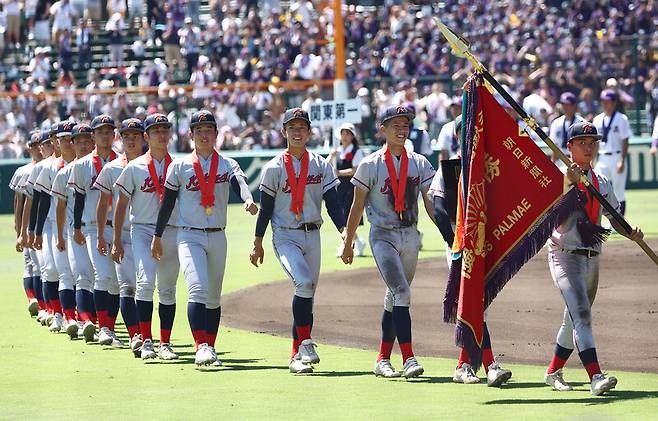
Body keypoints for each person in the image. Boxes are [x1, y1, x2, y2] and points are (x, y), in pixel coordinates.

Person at [544, 121, 643, 395]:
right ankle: (595, 376)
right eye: (582, 143)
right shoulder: (558, 179)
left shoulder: (602, 181)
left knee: (572, 318)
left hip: (592, 257)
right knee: (583, 316)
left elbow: (614, 217)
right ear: (570, 147)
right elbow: (552, 215)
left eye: (592, 143)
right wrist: (570, 184)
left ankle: (553, 372)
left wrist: (630, 232)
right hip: (564, 255)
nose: (588, 148)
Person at [152, 110, 257, 366]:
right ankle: (201, 346)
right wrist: (157, 234)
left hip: (218, 236)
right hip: (189, 235)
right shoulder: (179, 165)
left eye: (209, 130)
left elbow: (239, 182)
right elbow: (167, 204)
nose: (204, 135)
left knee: (213, 295)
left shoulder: (226, 163)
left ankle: (211, 345)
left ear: (216, 134)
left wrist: (248, 199)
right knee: (197, 289)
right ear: (191, 135)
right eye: (199, 131)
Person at [341, 105, 436, 379]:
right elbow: (357, 207)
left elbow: (429, 201)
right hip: (382, 235)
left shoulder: (418, 161)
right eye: (395, 124)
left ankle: (382, 359)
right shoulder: (370, 164)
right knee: (402, 293)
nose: (401, 129)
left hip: (410, 235)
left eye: (405, 124)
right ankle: (408, 358)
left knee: (394, 298)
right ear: (382, 129)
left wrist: (448, 231)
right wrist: (348, 242)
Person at [249, 108, 345, 374]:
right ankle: (305, 342)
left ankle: (296, 356)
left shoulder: (320, 164)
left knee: (307, 294)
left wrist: (345, 230)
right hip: (286, 234)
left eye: (302, 127)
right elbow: (265, 208)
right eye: (292, 127)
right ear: (284, 132)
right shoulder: (274, 168)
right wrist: (257, 242)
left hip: (312, 233)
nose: (297, 132)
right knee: (303, 282)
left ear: (310, 131)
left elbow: (333, 203)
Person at [429, 117, 513, 387]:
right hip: (460, 241)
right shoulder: (451, 168)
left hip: (485, 241)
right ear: (457, 136)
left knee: (478, 303)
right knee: (473, 301)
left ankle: (465, 364)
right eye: (464, 131)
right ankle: (485, 364)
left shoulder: (488, 164)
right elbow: (440, 210)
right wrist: (456, 244)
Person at [114, 115, 181, 361]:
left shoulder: (180, 166)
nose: (161, 135)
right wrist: (116, 240)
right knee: (144, 282)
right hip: (141, 229)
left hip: (172, 230)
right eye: (156, 131)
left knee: (167, 288)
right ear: (147, 136)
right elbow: (121, 204)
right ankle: (146, 341)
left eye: (165, 130)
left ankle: (165, 343)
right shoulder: (135, 166)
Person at [68, 114, 122, 347]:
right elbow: (78, 198)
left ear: (114, 134)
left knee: (118, 282)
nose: (105, 135)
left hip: (119, 227)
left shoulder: (122, 162)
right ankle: (104, 329)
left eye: (109, 131)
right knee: (102, 275)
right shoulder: (82, 165)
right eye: (100, 132)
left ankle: (108, 326)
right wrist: (77, 226)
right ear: (93, 136)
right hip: (92, 227)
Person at [94, 118, 146, 355]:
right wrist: (102, 236)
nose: (132, 139)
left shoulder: (155, 165)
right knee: (126, 286)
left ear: (143, 138)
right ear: (121, 139)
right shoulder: (112, 167)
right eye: (127, 136)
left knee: (146, 286)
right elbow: (103, 203)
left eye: (136, 135)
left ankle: (146, 334)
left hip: (146, 234)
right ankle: (137, 335)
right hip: (122, 234)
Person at [51, 123, 97, 341]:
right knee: (80, 276)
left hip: (102, 229)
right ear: (72, 143)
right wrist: (60, 235)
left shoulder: (103, 167)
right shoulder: (64, 173)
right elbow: (60, 207)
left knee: (103, 278)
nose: (83, 143)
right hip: (75, 230)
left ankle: (96, 322)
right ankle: (82, 319)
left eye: (87, 139)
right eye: (78, 140)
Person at [33, 121, 78, 337]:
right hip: (53, 224)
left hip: (80, 225)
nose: (67, 142)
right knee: (53, 269)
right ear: (55, 141)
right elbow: (40, 201)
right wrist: (36, 231)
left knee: (78, 272)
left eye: (71, 138)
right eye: (63, 139)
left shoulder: (84, 164)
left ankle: (77, 315)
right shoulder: (48, 167)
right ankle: (57, 312)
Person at [9, 133, 43, 318]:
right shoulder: (23, 171)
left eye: (41, 144)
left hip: (48, 222)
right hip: (29, 222)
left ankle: (46, 302)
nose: (38, 148)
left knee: (43, 265)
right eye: (35, 145)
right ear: (29, 147)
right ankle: (32, 299)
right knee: (31, 263)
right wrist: (19, 228)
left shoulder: (51, 168)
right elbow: (18, 202)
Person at [327, 122, 366, 257]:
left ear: (352, 136)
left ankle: (347, 244)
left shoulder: (356, 151)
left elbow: (355, 170)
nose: (345, 136)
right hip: (340, 188)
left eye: (348, 133)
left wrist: (338, 173)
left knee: (347, 218)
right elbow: (326, 166)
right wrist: (332, 156)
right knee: (342, 219)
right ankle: (355, 242)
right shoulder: (338, 151)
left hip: (351, 188)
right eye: (343, 133)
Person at [593, 89, 631, 216]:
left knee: (618, 191)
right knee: (597, 188)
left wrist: (622, 160)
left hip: (616, 155)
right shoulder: (597, 119)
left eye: (608, 101)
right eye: (603, 101)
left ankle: (621, 220)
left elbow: (625, 140)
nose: (605, 104)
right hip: (602, 157)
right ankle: (599, 219)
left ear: (614, 103)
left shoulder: (621, 118)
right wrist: (593, 160)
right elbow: (595, 143)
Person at [549, 92, 584, 167]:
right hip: (561, 159)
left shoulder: (582, 123)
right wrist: (553, 162)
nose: (565, 107)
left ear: (574, 106)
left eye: (568, 105)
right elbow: (554, 145)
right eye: (563, 104)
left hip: (577, 160)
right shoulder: (556, 123)